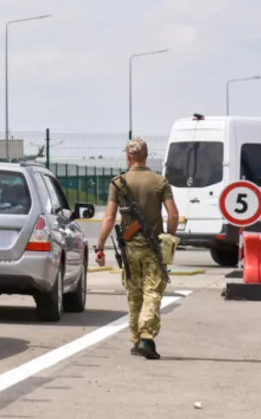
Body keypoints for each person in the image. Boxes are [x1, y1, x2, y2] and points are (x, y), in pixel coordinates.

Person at [95, 138, 179, 360]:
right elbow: (173, 214)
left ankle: (136, 340)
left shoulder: (118, 183)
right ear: (146, 156)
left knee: (134, 294)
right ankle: (146, 338)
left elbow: (109, 216)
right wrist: (170, 237)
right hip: (153, 248)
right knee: (152, 291)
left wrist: (100, 246)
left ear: (128, 157)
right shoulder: (160, 182)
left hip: (130, 247)